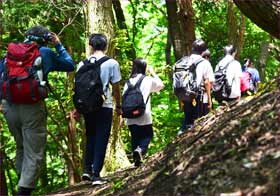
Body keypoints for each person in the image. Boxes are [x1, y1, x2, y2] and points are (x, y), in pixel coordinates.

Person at [0, 26, 75, 195]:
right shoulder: (45, 52)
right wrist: (58, 45)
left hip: (9, 107)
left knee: (21, 146)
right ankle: (24, 193)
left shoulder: (9, 54)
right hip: (32, 107)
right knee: (33, 151)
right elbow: (70, 65)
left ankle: (22, 182)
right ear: (46, 39)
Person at [73, 33, 122, 185]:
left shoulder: (82, 64)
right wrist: (119, 105)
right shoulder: (111, 63)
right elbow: (116, 87)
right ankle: (96, 175)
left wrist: (77, 108)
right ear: (106, 45)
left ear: (91, 46)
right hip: (104, 105)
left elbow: (78, 88)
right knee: (101, 137)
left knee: (91, 136)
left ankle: (87, 170)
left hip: (87, 106)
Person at [122, 58, 164, 167]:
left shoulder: (128, 82)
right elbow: (161, 85)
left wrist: (122, 117)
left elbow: (124, 99)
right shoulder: (147, 79)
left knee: (135, 137)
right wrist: (153, 72)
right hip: (143, 113)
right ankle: (140, 150)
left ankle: (137, 161)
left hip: (130, 115)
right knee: (148, 135)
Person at [178, 40, 214, 135]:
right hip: (199, 96)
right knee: (200, 122)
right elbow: (207, 82)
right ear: (203, 51)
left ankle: (182, 137)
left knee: (188, 120)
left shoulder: (184, 60)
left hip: (185, 95)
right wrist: (210, 100)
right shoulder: (205, 63)